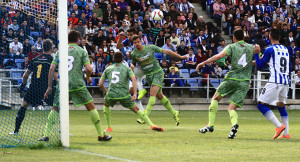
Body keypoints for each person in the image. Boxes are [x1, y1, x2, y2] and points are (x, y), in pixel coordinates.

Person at [38, 31, 111, 142]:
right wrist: (87, 77)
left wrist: (49, 87)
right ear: (78, 39)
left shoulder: (60, 51)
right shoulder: (81, 51)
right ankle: (101, 135)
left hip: (63, 85)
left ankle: (46, 135)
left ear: (68, 39)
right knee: (91, 107)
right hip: (78, 84)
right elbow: (90, 69)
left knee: (55, 108)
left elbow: (52, 68)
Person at [196, 29, 254, 139]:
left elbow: (219, 56)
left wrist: (203, 62)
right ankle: (234, 125)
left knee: (215, 98)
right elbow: (258, 56)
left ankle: (210, 125)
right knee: (231, 109)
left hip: (232, 78)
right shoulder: (251, 47)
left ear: (234, 37)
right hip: (245, 82)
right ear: (244, 37)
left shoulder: (231, 47)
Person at [99, 52, 164, 132]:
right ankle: (151, 124)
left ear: (113, 59)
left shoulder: (108, 69)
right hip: (124, 94)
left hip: (111, 94)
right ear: (123, 59)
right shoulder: (127, 68)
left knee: (106, 105)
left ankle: (109, 127)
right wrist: (135, 94)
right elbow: (133, 79)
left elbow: (100, 84)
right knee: (137, 109)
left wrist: (106, 91)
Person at [131, 35, 188, 125]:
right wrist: (132, 65)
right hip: (149, 76)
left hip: (158, 73)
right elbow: (133, 62)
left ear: (141, 41)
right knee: (160, 96)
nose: (137, 44)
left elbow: (167, 52)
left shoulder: (150, 47)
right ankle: (174, 113)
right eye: (135, 43)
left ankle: (144, 117)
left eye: (138, 41)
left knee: (152, 94)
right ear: (133, 44)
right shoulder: (134, 54)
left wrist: (180, 57)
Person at [9, 39, 56, 135]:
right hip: (46, 88)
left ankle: (16, 131)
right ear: (51, 48)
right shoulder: (52, 60)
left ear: (42, 48)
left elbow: (26, 75)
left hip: (34, 87)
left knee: (23, 107)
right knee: (57, 107)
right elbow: (55, 75)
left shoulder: (35, 59)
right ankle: (61, 130)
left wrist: (22, 85)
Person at [254, 28, 291, 139]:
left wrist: (256, 54)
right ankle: (286, 134)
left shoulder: (270, 49)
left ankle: (279, 126)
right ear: (279, 37)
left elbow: (260, 67)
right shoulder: (285, 49)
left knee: (261, 104)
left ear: (270, 37)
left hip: (275, 81)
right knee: (281, 106)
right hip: (285, 82)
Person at [116, 28, 147, 100]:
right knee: (132, 91)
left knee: (133, 90)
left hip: (141, 67)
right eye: (128, 35)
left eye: (131, 35)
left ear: (135, 35)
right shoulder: (128, 41)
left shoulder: (139, 43)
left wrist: (132, 56)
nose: (129, 37)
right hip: (134, 67)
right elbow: (118, 46)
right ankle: (140, 108)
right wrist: (120, 39)